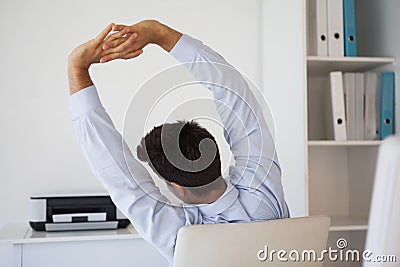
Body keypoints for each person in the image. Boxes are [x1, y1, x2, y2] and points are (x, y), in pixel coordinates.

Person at [68, 20, 289, 265]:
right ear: (213, 151)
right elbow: (233, 92)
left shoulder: (181, 235)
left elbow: (115, 171)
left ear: (178, 187)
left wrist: (77, 68)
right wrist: (159, 34)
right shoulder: (262, 191)